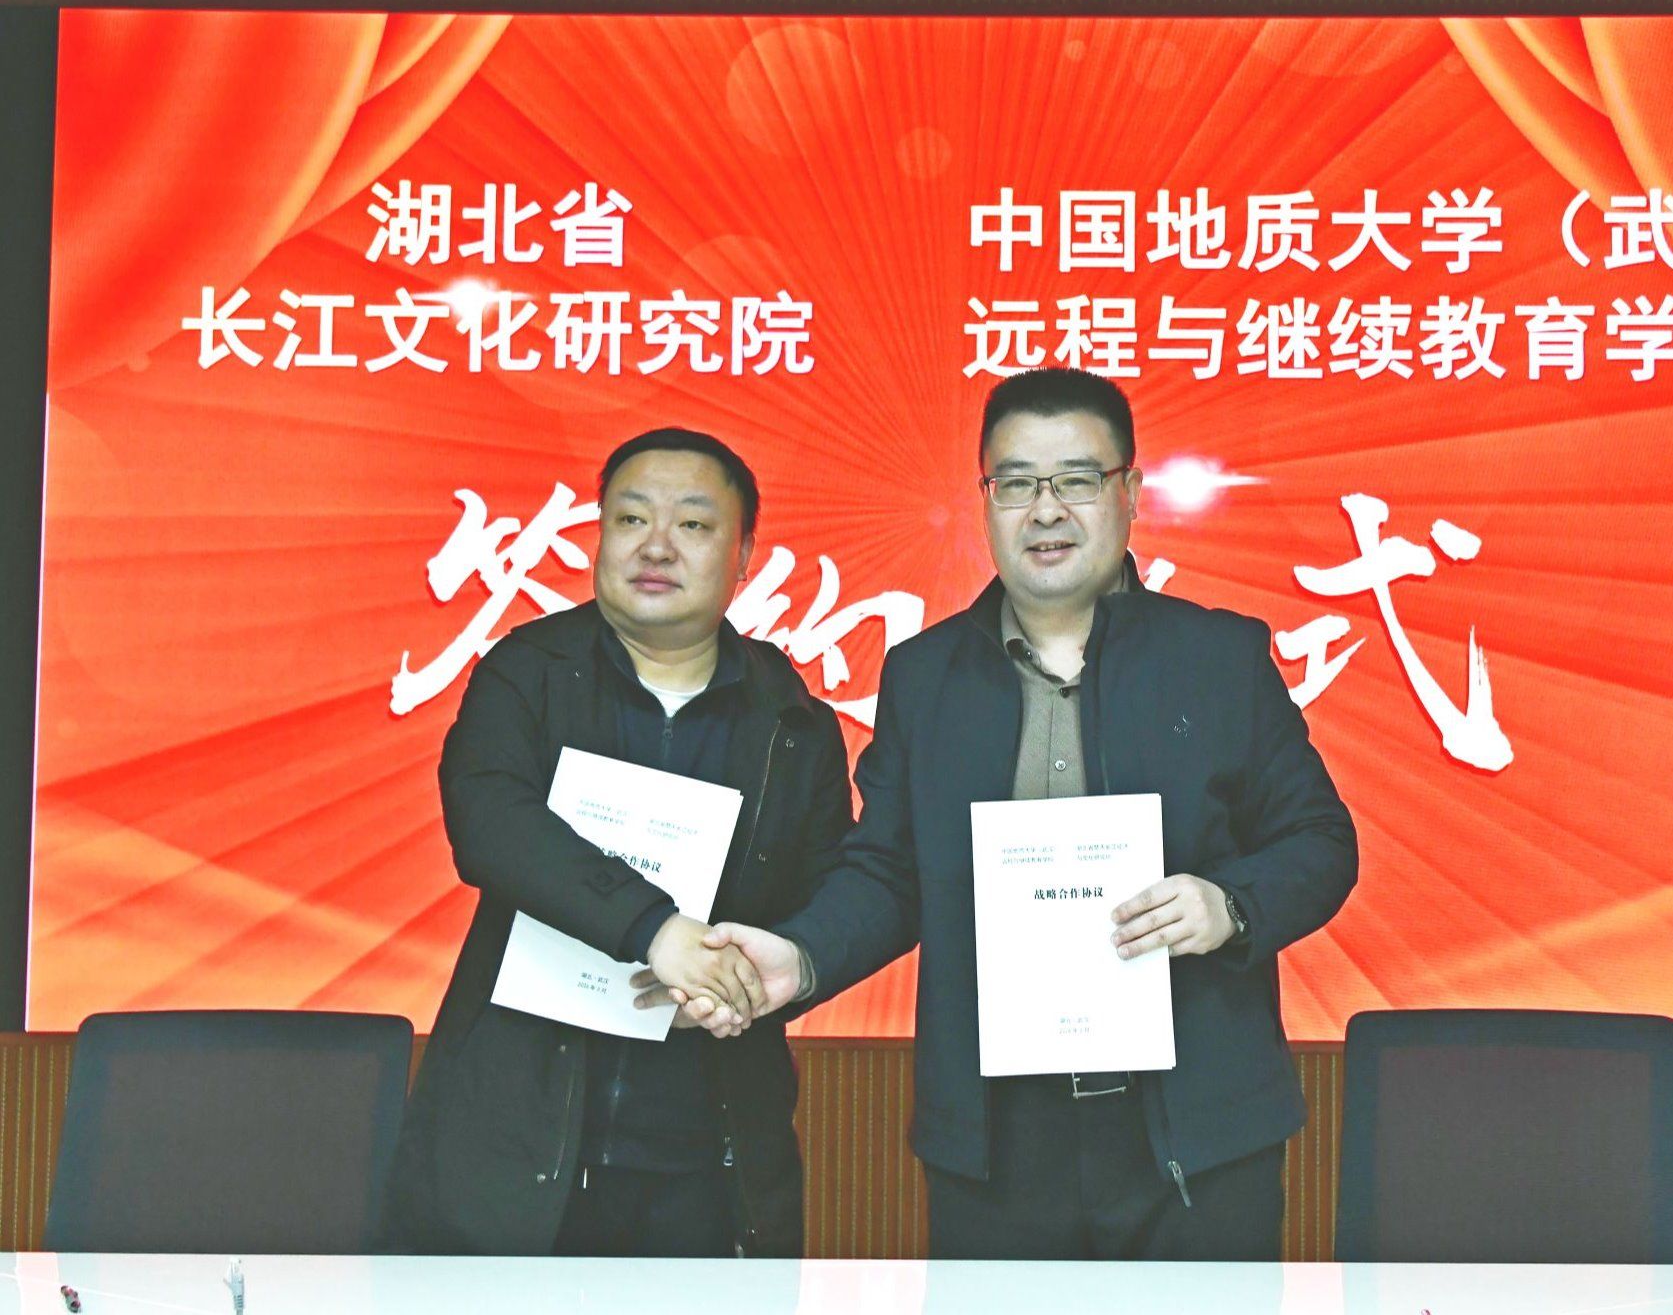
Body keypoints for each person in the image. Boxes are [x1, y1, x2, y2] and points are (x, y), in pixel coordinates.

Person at [656, 367, 1358, 1260]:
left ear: (1131, 493)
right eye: (1017, 483)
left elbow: (1320, 842)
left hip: (1198, 1128)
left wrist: (1229, 905)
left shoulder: (1219, 657)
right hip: (997, 1136)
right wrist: (799, 956)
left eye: (1077, 480)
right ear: (986, 501)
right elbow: (888, 871)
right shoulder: (925, 676)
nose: (1046, 509)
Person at [383, 428, 851, 1258]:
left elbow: (827, 898)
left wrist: (747, 983)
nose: (656, 545)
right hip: (514, 1147)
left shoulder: (792, 722)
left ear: (744, 555)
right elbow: (489, 821)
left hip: (710, 1159)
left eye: (694, 524)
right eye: (631, 518)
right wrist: (655, 930)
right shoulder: (528, 671)